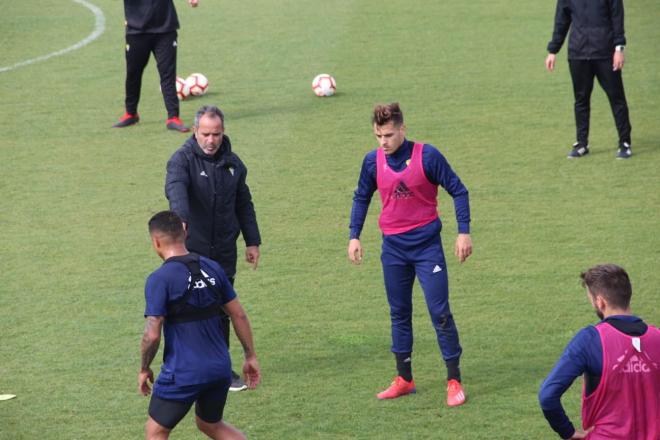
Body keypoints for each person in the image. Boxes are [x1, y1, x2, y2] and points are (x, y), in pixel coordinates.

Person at [347, 103, 472, 406]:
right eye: (378, 135)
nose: (383, 142)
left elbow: (459, 190)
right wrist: (354, 236)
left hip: (427, 249)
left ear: (403, 129)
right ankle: (404, 379)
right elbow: (362, 196)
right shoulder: (371, 162)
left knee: (439, 312)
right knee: (399, 313)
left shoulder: (427, 156)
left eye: (388, 135)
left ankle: (454, 380)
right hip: (393, 250)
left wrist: (463, 231)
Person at [139, 210, 260, 439]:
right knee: (211, 424)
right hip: (219, 367)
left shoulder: (159, 279)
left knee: (155, 431)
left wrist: (145, 367)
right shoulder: (212, 267)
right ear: (185, 232)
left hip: (183, 372)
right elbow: (239, 315)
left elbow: (152, 335)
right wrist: (250, 356)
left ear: (155, 241)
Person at [165, 105, 261, 391]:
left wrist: (252, 240)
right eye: (206, 134)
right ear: (195, 131)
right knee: (188, 309)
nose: (211, 140)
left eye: (216, 134)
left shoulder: (233, 164)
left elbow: (244, 203)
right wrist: (181, 219)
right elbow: (176, 189)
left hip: (223, 251)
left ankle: (221, 369)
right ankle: (183, 366)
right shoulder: (181, 161)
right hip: (191, 252)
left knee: (221, 310)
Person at [539, 264, 660, 439]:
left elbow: (547, 395)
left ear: (600, 301)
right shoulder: (657, 338)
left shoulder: (590, 340)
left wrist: (569, 432)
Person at [545, 0, 633, 159]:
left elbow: (617, 16)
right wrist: (553, 50)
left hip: (605, 53)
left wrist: (619, 48)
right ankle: (581, 143)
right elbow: (562, 19)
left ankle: (624, 142)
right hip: (578, 53)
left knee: (616, 97)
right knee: (581, 99)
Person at [112, 0, 197, 132]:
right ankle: (131, 113)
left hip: (165, 29)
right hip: (136, 30)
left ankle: (173, 118)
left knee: (167, 74)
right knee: (133, 73)